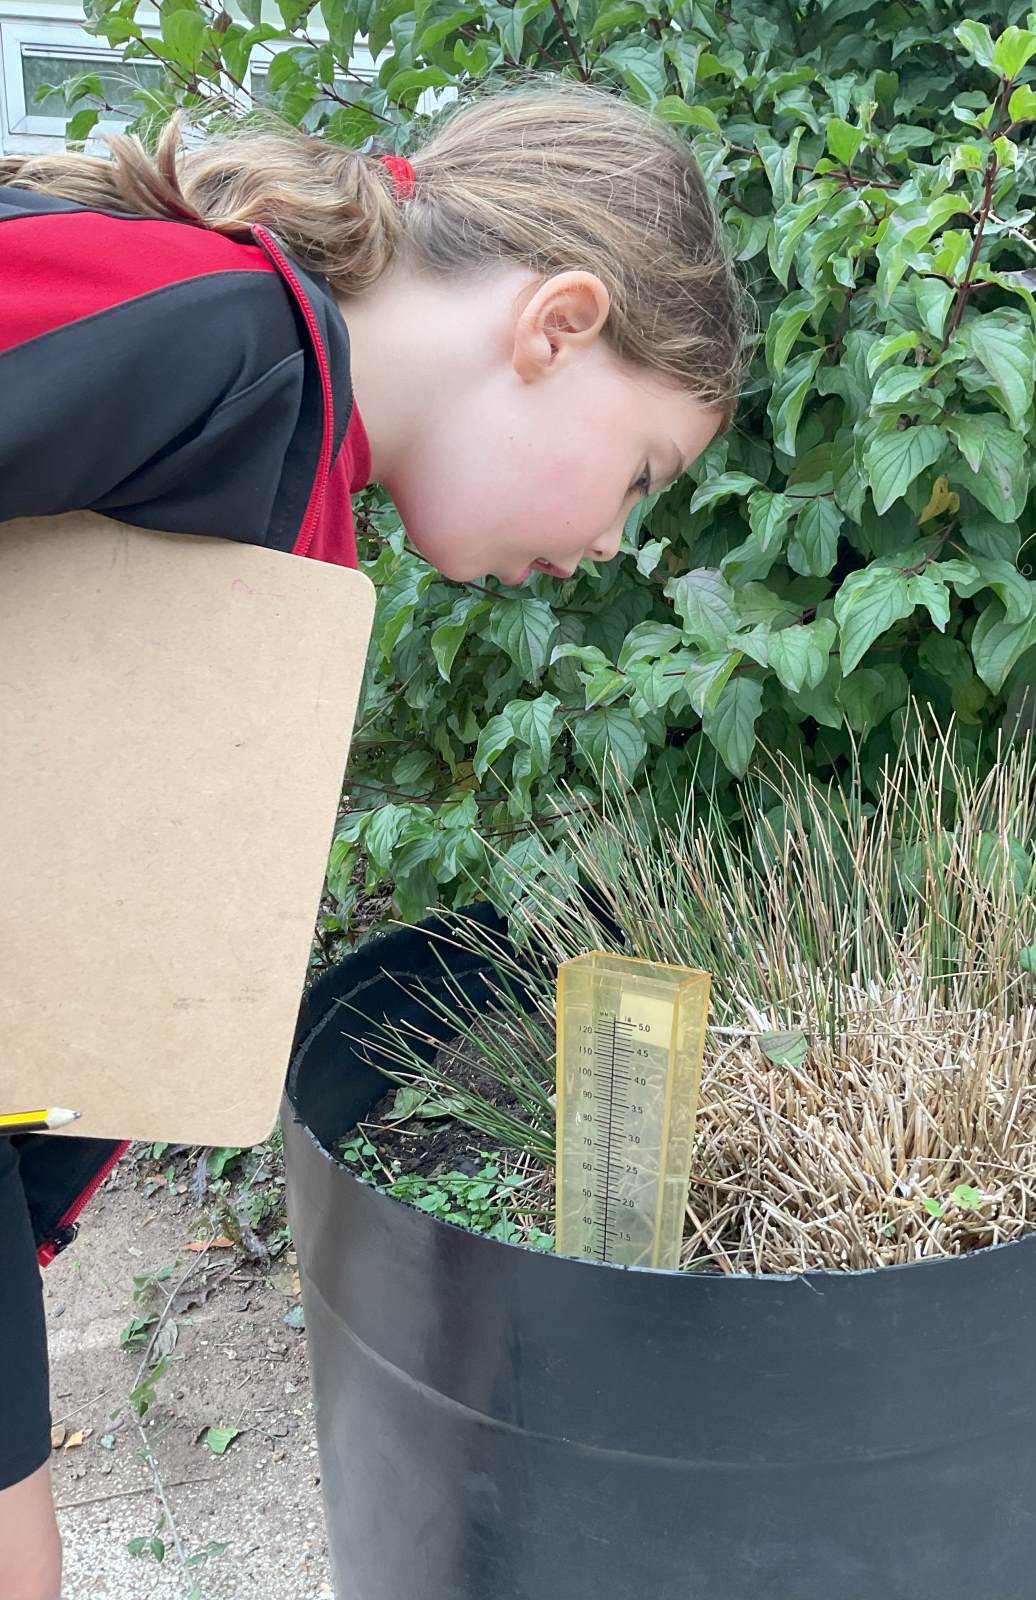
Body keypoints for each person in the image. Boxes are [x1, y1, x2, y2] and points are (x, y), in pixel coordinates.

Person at [0, 80, 747, 1598]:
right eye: (643, 473)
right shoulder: (221, 334)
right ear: (557, 325)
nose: (613, 541)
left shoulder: (292, 451)